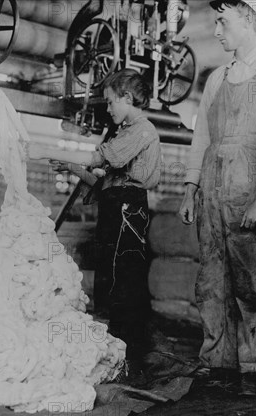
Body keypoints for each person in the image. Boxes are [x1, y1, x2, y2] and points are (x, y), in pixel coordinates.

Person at [178, 0, 256, 396]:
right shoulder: (214, 79)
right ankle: (218, 363)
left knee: (248, 281)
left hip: (247, 187)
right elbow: (202, 138)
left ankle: (251, 368)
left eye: (222, 21)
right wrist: (190, 188)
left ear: (249, 19)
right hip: (211, 185)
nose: (216, 31)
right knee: (211, 278)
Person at [32, 68, 162, 365]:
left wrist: (46, 151)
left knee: (124, 280)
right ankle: (116, 350)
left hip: (129, 211)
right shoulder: (125, 133)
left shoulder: (142, 130)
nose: (108, 108)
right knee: (109, 277)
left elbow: (99, 159)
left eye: (111, 101)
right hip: (115, 209)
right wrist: (71, 168)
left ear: (128, 98)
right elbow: (104, 184)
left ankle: (132, 354)